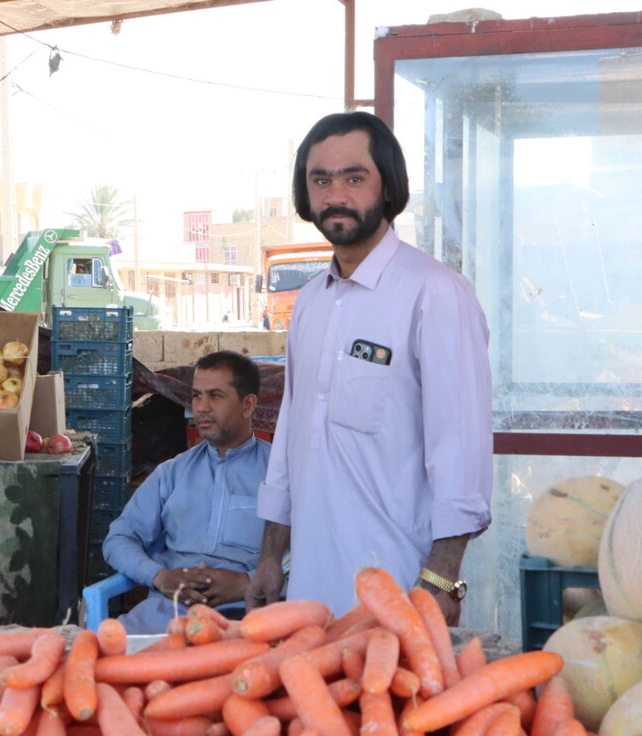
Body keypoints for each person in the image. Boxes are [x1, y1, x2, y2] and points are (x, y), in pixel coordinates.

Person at [248, 111, 493, 625]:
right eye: (321, 180)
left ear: (387, 188)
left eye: (354, 178)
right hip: (309, 584)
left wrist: (442, 578)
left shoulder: (435, 293)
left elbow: (460, 447)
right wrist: (271, 554)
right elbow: (292, 431)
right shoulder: (311, 302)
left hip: (400, 585)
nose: (336, 194)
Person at [103, 351, 270, 634]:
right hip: (168, 613)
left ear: (248, 404)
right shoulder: (172, 473)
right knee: (103, 658)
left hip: (252, 616)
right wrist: (159, 576)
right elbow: (118, 539)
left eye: (215, 396)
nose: (201, 407)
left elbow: (312, 551)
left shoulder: (281, 475)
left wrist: (249, 582)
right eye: (196, 395)